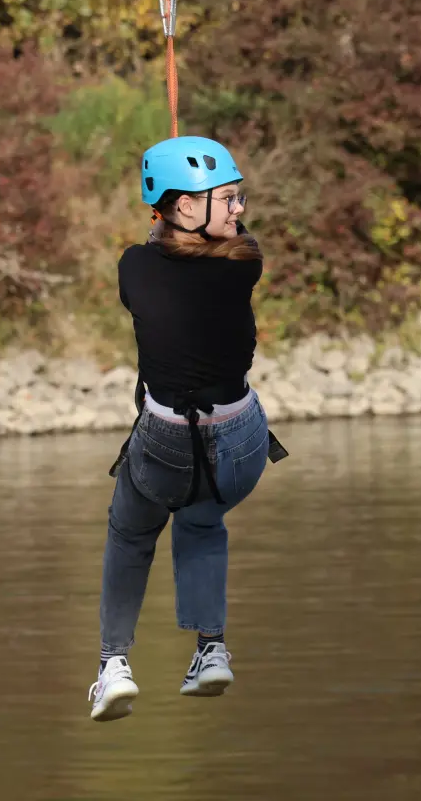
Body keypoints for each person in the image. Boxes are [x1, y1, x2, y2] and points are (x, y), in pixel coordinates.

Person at [89, 135, 278, 721]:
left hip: (169, 443)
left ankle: (113, 664)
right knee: (201, 518)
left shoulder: (134, 267)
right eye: (228, 198)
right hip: (242, 443)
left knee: (131, 530)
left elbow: (151, 262)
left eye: (236, 198)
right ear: (187, 206)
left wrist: (165, 226)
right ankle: (211, 649)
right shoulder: (246, 263)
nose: (240, 209)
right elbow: (210, 251)